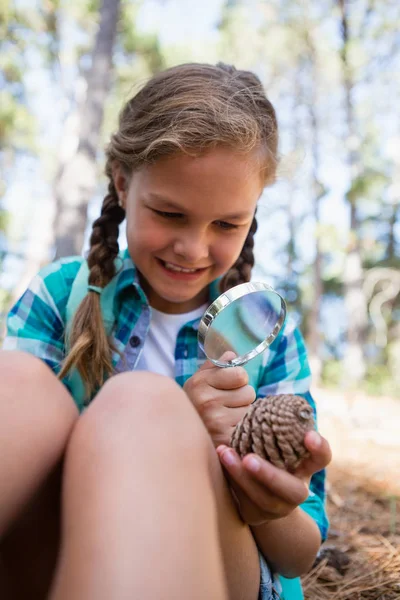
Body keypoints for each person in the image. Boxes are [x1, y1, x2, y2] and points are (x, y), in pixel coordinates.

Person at [0, 62, 331, 600]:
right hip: (48, 550)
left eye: (226, 224)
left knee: (141, 403)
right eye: (170, 214)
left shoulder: (269, 338)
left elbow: (299, 552)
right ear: (123, 184)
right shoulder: (60, 295)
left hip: (220, 571)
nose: (194, 248)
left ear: (252, 213)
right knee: (17, 384)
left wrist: (257, 491)